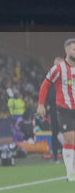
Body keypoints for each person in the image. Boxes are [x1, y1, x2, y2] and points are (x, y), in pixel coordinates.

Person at [38, 40, 75, 181]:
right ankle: (70, 172)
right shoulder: (58, 68)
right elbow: (45, 85)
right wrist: (41, 104)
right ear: (66, 51)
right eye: (73, 49)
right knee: (69, 138)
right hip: (64, 109)